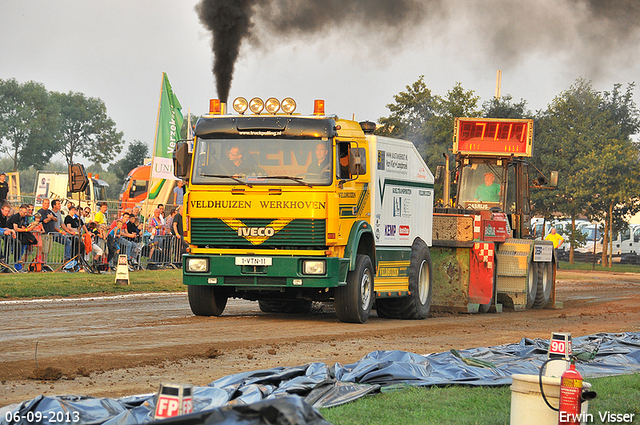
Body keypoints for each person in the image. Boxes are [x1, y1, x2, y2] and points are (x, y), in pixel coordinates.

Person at [37, 198, 57, 265]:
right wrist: (50, 218)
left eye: (48, 203)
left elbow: (56, 219)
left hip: (50, 233)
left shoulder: (49, 211)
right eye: (45, 203)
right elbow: (44, 221)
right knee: (44, 250)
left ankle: (45, 263)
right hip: (44, 234)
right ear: (42, 204)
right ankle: (42, 264)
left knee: (48, 250)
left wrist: (51, 217)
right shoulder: (40, 212)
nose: (47, 205)